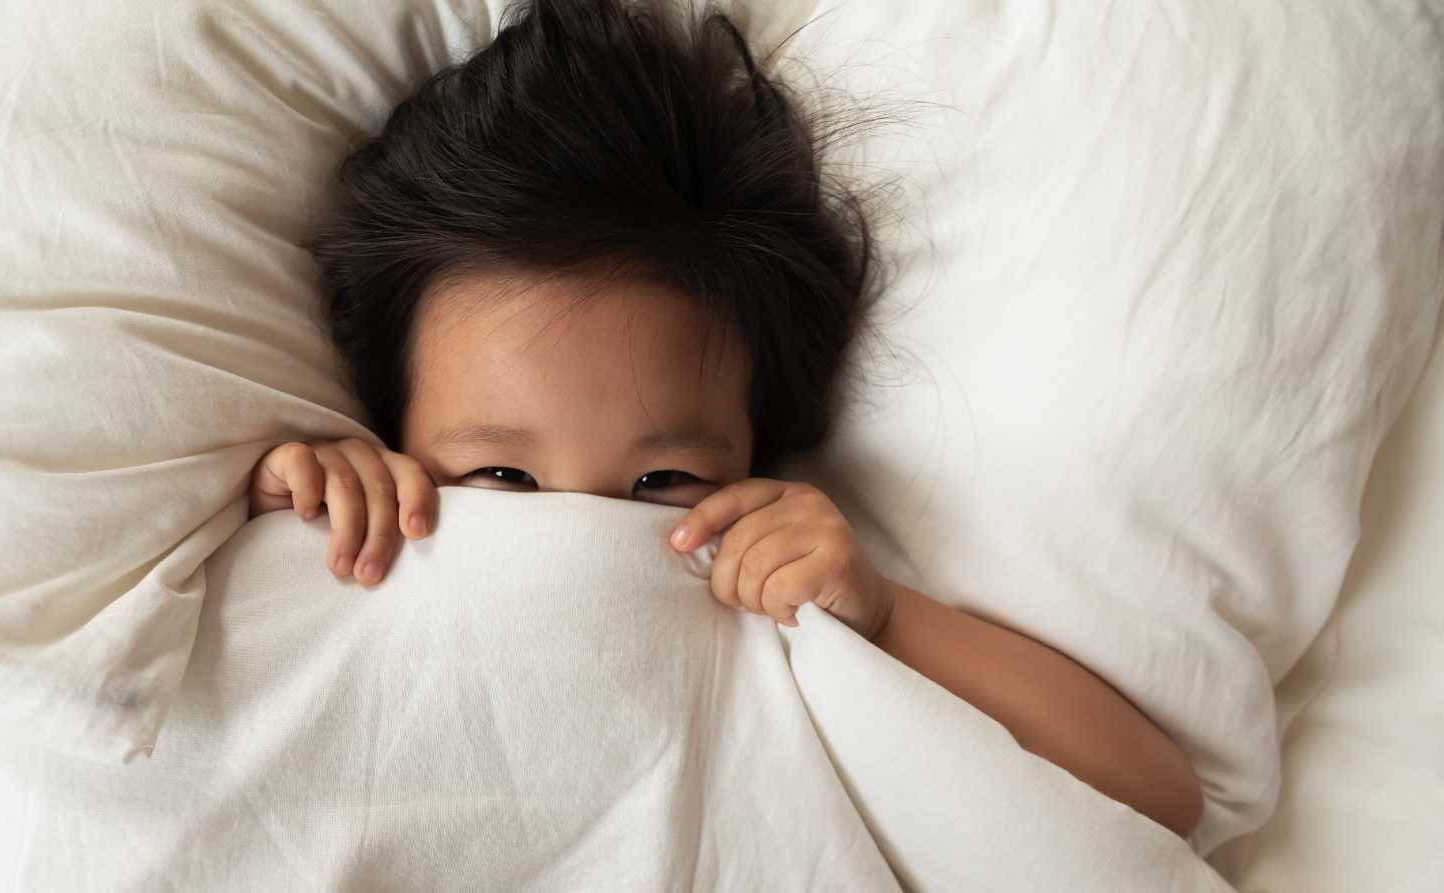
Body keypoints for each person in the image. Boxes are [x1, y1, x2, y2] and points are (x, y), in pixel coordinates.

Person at [251, 0, 1203, 838]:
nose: (582, 529)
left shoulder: (779, 577)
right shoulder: (362, 537)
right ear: (390, 427)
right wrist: (283, 515)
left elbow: (1158, 798)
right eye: (501, 478)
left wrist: (879, 612)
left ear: (754, 452)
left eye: (662, 481)